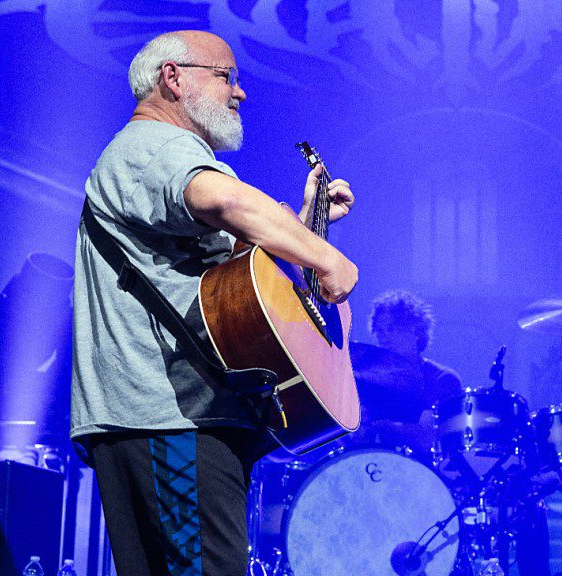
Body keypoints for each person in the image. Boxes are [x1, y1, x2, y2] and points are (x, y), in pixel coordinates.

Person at [70, 30, 358, 576]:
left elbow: (228, 284)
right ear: (172, 78)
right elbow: (222, 198)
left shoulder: (153, 158)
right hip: (168, 418)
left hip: (169, 418)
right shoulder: (157, 145)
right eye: (226, 76)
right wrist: (323, 256)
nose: (240, 93)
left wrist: (300, 227)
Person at [353, 290, 462, 451]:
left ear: (416, 331)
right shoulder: (370, 379)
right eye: (380, 331)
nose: (384, 338)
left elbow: (428, 436)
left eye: (392, 329)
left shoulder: (442, 379)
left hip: (422, 471)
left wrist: (383, 426)